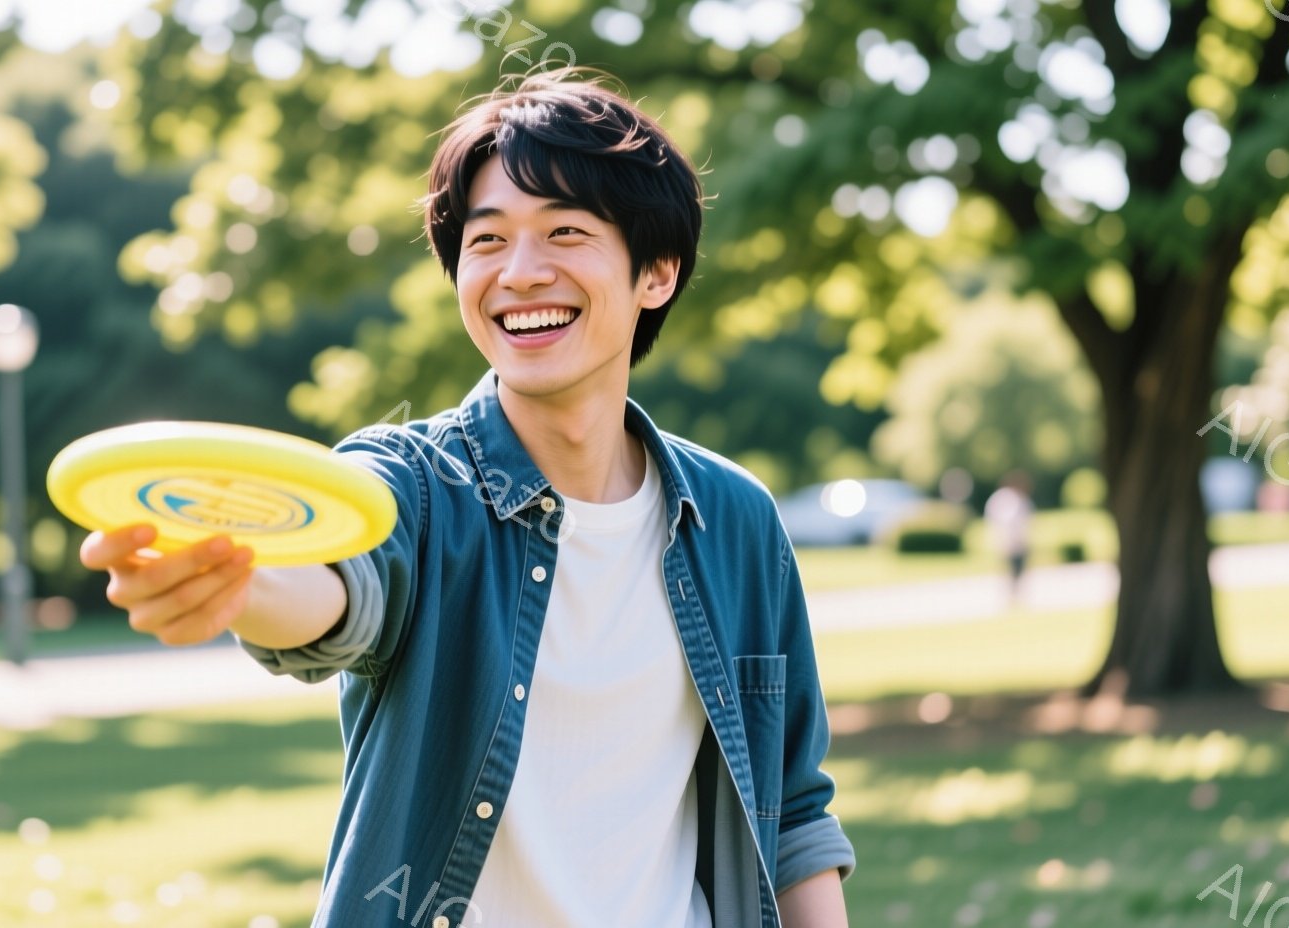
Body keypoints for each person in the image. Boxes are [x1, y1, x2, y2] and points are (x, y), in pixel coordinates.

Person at [80, 69, 855, 928]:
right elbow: (340, 588)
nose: (519, 273)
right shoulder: (410, 481)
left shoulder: (735, 520)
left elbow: (793, 815)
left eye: (565, 231)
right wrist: (239, 582)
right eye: (487, 241)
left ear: (658, 273)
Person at [984, 470, 1035, 603]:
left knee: (1018, 570)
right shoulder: (1006, 499)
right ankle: (1010, 595)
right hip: (1009, 542)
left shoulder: (1021, 499)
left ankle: (1015, 594)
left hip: (1018, 542)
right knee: (1010, 570)